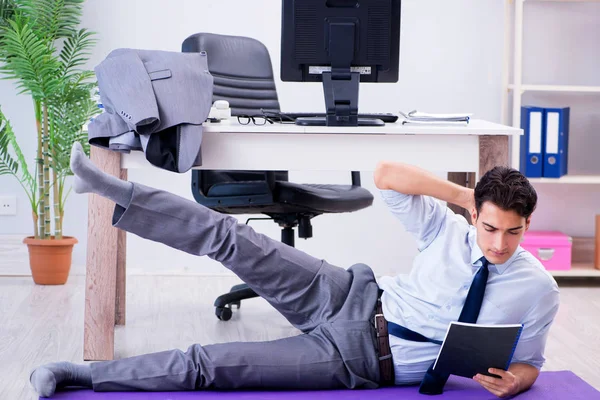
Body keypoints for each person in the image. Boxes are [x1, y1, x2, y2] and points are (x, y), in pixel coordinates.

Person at [30, 142, 559, 399]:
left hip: (360, 360)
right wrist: (466, 197)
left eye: (514, 232)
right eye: (490, 228)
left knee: (211, 366)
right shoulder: (449, 228)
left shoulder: (537, 289)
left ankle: (80, 374)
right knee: (231, 237)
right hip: (350, 295)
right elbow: (386, 175)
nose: (498, 243)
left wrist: (518, 382)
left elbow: (531, 361)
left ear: (529, 224)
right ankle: (112, 189)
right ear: (476, 215)